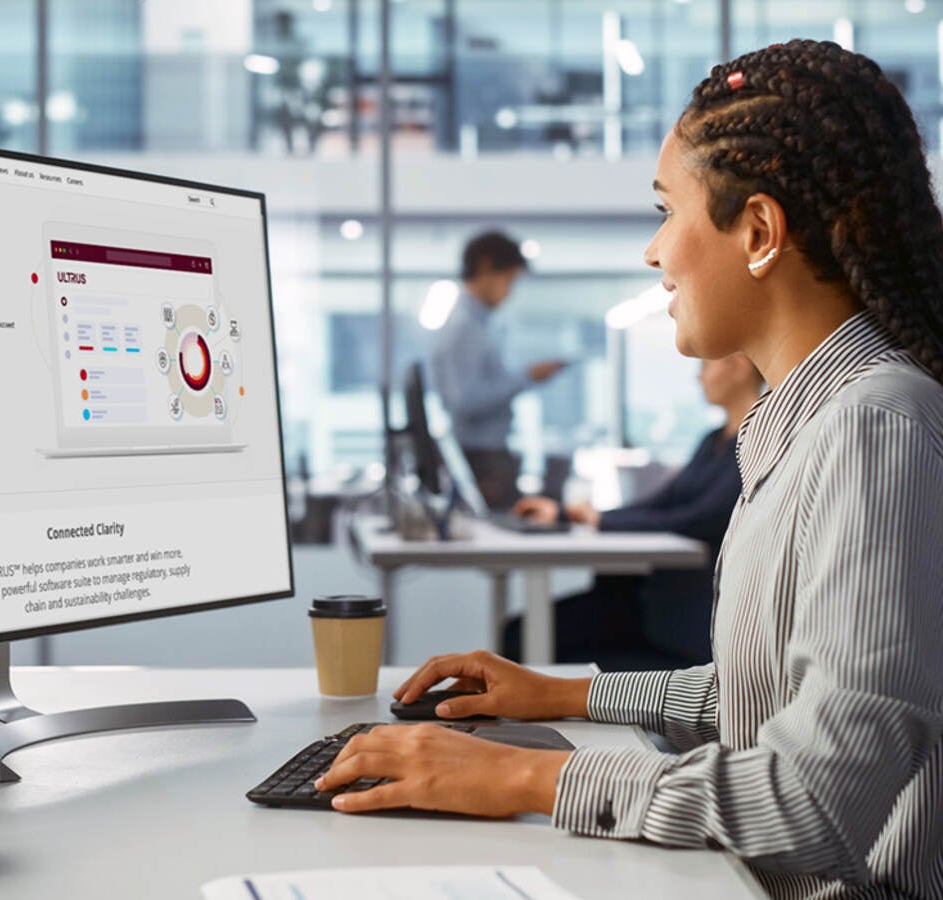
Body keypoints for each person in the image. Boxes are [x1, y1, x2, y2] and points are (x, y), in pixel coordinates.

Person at [319, 40, 943, 899]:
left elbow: (814, 800)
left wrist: (515, 779)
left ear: (758, 232)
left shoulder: (874, 426)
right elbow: (758, 698)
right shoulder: (804, 423)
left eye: (665, 211)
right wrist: (558, 695)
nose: (654, 254)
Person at [502, 353, 762, 669]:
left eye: (705, 366)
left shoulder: (755, 443)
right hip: (657, 597)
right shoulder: (712, 441)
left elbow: (699, 519)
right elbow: (661, 502)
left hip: (686, 615)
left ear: (739, 367)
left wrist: (601, 520)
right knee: (518, 632)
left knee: (524, 637)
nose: (699, 377)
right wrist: (570, 514)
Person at [430, 231, 565, 510]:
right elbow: (464, 400)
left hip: (484, 454)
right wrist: (526, 377)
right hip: (481, 457)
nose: (509, 292)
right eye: (508, 280)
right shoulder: (465, 328)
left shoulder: (477, 325)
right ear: (485, 267)